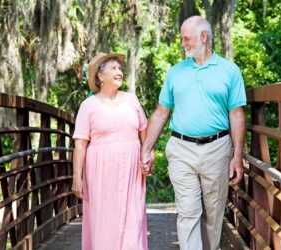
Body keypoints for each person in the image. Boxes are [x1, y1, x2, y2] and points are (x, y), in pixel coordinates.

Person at [140, 16, 246, 250]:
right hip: (181, 148)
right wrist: (145, 149)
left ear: (203, 37)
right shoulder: (176, 72)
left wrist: (237, 156)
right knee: (188, 211)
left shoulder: (229, 71)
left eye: (186, 38)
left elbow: (237, 115)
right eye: (181, 39)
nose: (182, 43)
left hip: (217, 148)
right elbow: (160, 113)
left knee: (213, 212)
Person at [72, 52, 152, 250]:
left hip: (133, 172)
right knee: (104, 220)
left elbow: (145, 135)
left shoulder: (131, 100)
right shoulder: (88, 106)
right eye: (114, 69)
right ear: (100, 76)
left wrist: (150, 156)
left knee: (133, 218)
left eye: (120, 69)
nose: (120, 72)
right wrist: (77, 177)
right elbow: (80, 144)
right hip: (101, 171)